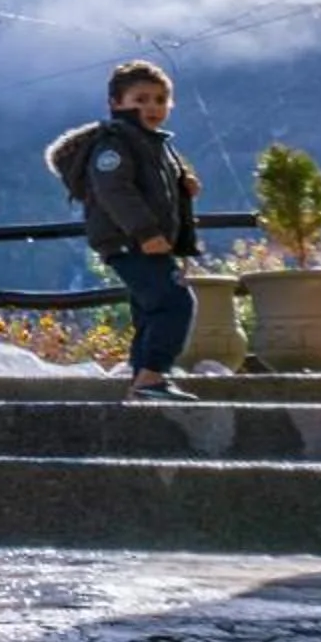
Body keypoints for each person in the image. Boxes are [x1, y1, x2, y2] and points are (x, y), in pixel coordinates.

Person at [43, 59, 203, 400]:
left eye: (160, 99)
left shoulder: (152, 143)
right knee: (176, 303)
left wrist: (181, 184)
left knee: (149, 310)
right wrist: (146, 232)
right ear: (116, 103)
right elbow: (114, 189)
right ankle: (152, 377)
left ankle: (142, 383)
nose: (152, 107)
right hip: (131, 242)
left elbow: (147, 186)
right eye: (140, 99)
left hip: (142, 242)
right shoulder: (116, 142)